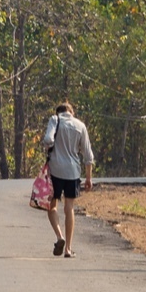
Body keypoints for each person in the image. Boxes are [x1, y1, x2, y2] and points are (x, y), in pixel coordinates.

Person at [41, 101, 94, 258]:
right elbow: (88, 155)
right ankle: (68, 249)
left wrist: (50, 148)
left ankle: (59, 236)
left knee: (52, 206)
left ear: (59, 112)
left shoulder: (54, 120)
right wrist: (89, 178)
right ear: (71, 112)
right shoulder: (80, 125)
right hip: (73, 172)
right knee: (69, 207)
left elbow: (48, 140)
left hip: (55, 169)